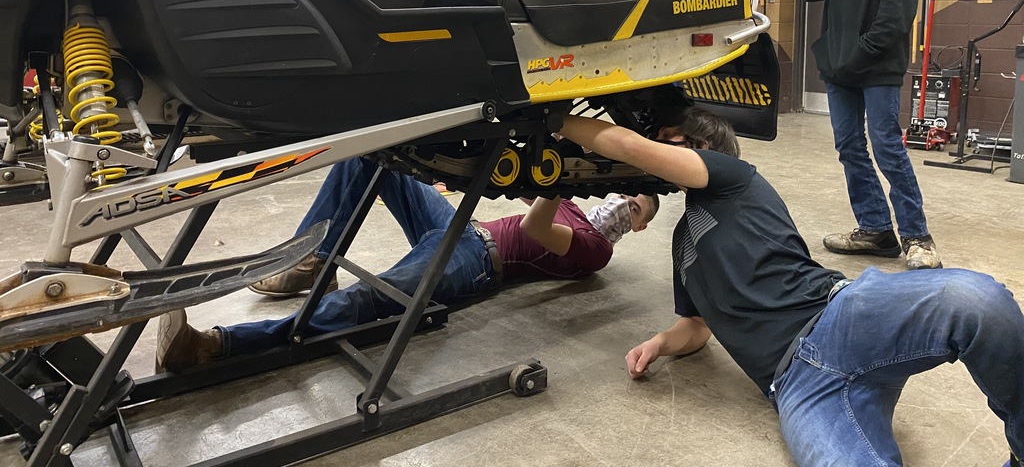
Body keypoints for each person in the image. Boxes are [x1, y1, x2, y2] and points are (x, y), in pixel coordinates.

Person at [555, 106, 1023, 467]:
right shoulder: (681, 241)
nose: (654, 152)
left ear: (699, 148)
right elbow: (696, 326)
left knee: (976, 301)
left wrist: (551, 118)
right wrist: (659, 343)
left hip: (842, 316)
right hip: (797, 387)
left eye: (666, 143)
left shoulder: (733, 178)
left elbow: (626, 146)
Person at [155, 156, 658, 372]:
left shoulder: (597, 247)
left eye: (634, 209)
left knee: (369, 297)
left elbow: (533, 229)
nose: (620, 205)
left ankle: (213, 347)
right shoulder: (573, 205)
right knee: (372, 158)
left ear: (636, 227)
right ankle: (314, 258)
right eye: (625, 195)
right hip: (462, 227)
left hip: (476, 262)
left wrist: (563, 177)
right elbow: (521, 186)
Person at [799, 0, 941, 270]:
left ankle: (917, 236)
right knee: (849, 147)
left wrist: (859, 51)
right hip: (839, 69)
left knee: (886, 148)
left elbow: (897, 13)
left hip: (876, 66)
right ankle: (876, 229)